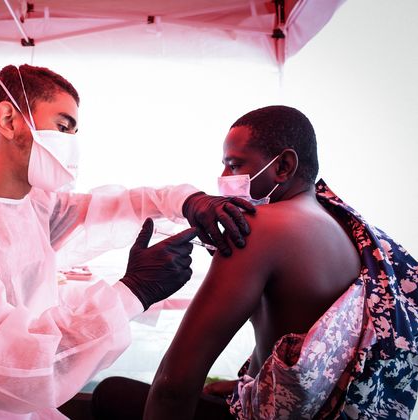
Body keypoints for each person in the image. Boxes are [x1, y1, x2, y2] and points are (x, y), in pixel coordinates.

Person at [0, 64, 256, 420]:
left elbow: (121, 206)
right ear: (8, 120)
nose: (71, 144)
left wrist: (190, 201)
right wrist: (133, 292)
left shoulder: (32, 207)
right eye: (62, 126)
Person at [92, 105, 418, 419]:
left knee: (111, 393)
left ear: (283, 166)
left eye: (234, 165)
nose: (223, 177)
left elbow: (173, 387)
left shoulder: (258, 227)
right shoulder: (340, 225)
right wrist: (240, 387)